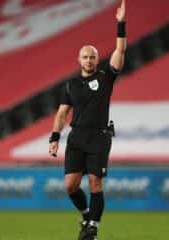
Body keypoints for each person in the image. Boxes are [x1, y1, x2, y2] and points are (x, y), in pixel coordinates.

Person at [48, 1, 126, 239]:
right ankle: (85, 214)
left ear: (96, 59)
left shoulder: (106, 77)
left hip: (99, 137)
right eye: (85, 57)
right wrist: (54, 137)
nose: (89, 61)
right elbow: (62, 113)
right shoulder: (71, 85)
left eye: (92, 57)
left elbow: (120, 51)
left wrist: (121, 24)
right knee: (70, 186)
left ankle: (92, 227)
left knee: (95, 184)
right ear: (79, 60)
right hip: (77, 137)